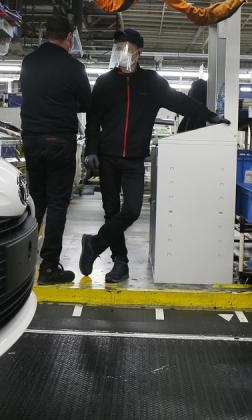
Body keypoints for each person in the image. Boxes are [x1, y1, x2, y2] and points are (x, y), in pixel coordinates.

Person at [79, 29, 228, 283]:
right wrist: (91, 150)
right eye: (118, 48)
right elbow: (93, 120)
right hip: (108, 157)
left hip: (134, 159)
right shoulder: (105, 83)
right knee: (111, 211)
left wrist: (210, 116)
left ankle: (95, 243)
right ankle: (120, 262)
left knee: (132, 210)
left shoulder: (151, 82)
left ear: (139, 52)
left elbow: (180, 101)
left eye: (126, 48)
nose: (121, 53)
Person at [20, 16, 91, 284]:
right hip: (60, 140)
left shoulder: (29, 62)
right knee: (58, 204)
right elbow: (87, 102)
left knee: (35, 202)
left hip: (33, 140)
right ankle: (49, 267)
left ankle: (23, 262)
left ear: (46, 34)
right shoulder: (74, 67)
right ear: (69, 38)